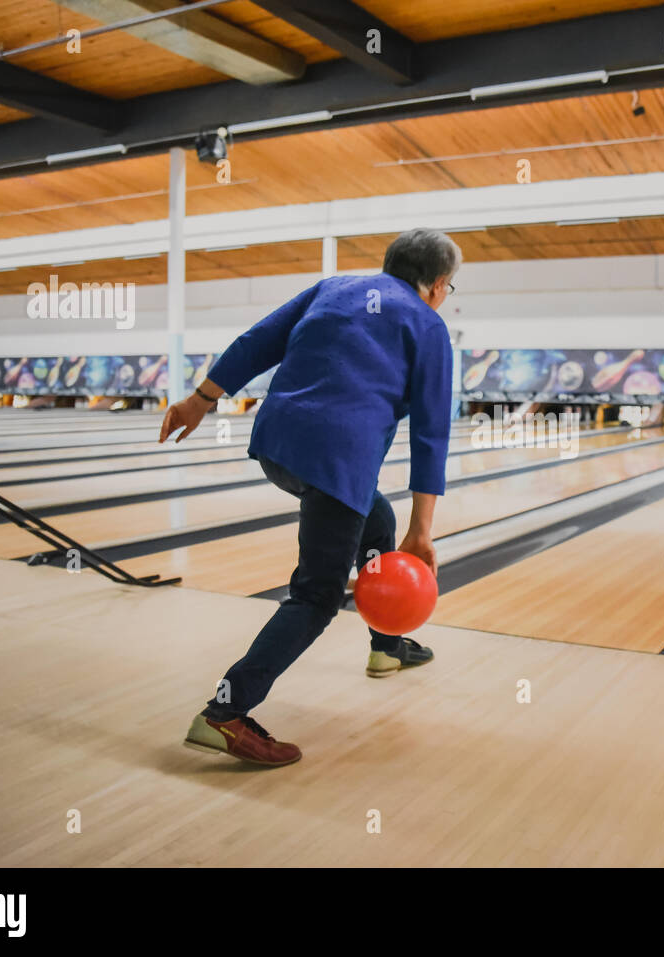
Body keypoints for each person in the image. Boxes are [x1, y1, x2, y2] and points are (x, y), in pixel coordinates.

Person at [159, 228, 459, 768]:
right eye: (449, 288)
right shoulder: (429, 325)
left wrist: (199, 400)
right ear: (438, 285)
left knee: (375, 521)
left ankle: (386, 647)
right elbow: (432, 432)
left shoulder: (333, 288)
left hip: (278, 443)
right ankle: (224, 714)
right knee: (317, 597)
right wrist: (424, 531)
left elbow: (256, 342)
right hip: (337, 460)